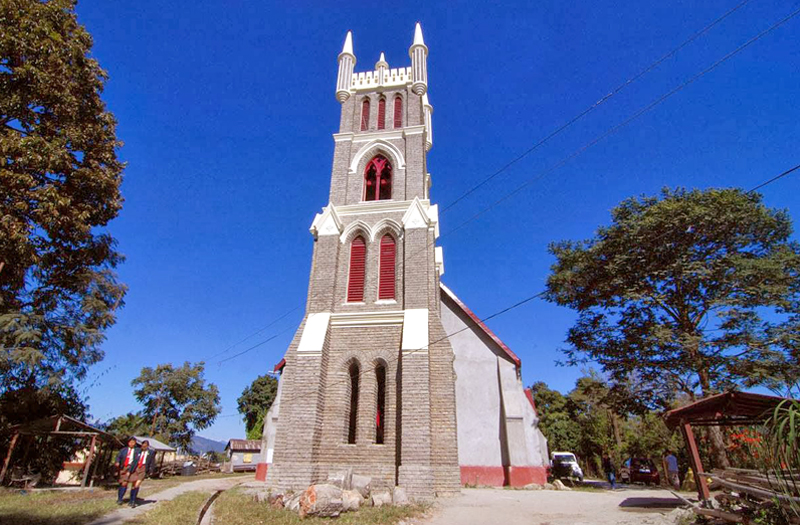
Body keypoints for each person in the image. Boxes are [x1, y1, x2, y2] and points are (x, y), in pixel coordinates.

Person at [114, 437, 139, 505]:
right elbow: (118, 457)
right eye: (130, 442)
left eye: (133, 442)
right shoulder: (123, 450)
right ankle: (120, 499)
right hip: (124, 467)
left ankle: (132, 500)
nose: (131, 444)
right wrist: (117, 462)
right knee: (124, 483)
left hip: (133, 468)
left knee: (134, 483)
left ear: (135, 443)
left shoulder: (137, 451)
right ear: (128, 443)